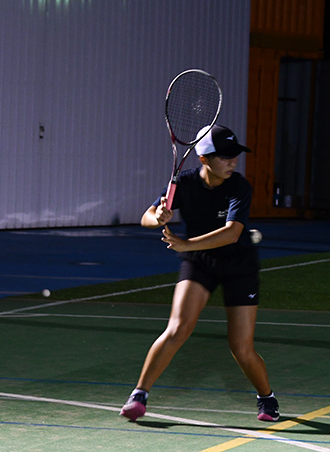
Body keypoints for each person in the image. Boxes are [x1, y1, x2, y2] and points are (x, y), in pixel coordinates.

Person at [120, 125, 280, 422]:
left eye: (235, 156)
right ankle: (139, 395)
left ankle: (267, 398)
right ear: (205, 158)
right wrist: (159, 216)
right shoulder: (184, 183)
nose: (233, 162)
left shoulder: (239, 187)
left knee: (241, 348)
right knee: (177, 328)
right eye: (225, 157)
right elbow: (147, 217)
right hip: (199, 262)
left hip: (239, 264)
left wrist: (185, 243)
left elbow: (232, 234)